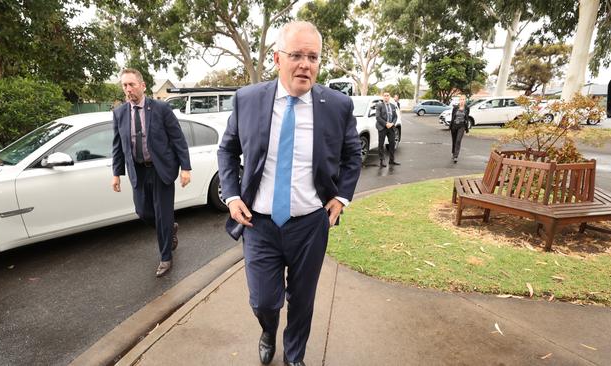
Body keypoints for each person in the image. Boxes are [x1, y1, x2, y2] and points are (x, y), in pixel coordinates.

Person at [217, 21, 362, 366]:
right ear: (278, 58)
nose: (305, 64)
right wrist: (232, 196)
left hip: (310, 224)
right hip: (259, 224)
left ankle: (293, 357)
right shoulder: (248, 99)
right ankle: (268, 329)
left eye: (312, 56)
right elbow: (227, 151)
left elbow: (352, 155)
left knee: (302, 300)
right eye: (296, 55)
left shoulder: (337, 106)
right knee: (265, 301)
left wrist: (341, 198)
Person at [111, 68, 192, 277]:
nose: (128, 89)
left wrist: (186, 168)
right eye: (124, 85)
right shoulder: (119, 113)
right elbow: (118, 146)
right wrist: (116, 173)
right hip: (137, 170)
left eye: (131, 84)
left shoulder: (161, 109)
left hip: (160, 170)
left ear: (143, 85)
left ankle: (166, 257)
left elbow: (178, 139)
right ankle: (169, 228)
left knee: (163, 213)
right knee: (143, 212)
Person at [375, 92, 400, 167]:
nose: (386, 97)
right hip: (382, 127)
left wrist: (392, 123)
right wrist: (386, 124)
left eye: (387, 96)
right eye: (385, 96)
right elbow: (378, 117)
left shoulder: (392, 106)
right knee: (381, 144)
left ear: (389, 97)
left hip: (391, 127)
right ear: (383, 97)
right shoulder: (379, 105)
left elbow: (395, 116)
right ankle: (381, 161)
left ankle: (391, 160)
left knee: (392, 144)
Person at [449, 94, 470, 163]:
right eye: (461, 99)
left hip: (462, 126)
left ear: (465, 100)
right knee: (454, 140)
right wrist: (450, 126)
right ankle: (453, 152)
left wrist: (466, 127)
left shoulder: (467, 108)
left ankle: (455, 156)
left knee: (458, 140)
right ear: (459, 100)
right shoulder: (455, 108)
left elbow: (466, 117)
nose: (462, 101)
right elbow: (452, 117)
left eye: (464, 99)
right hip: (454, 125)